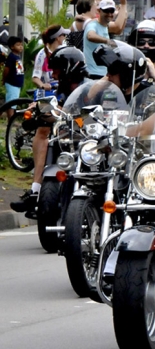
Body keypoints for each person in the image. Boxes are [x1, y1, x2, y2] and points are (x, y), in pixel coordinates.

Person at [10, 47, 90, 213]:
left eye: (57, 71)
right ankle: (35, 190)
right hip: (66, 131)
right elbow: (58, 105)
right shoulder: (63, 86)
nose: (53, 75)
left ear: (69, 69)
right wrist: (39, 107)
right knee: (43, 129)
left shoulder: (88, 87)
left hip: (87, 134)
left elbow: (87, 113)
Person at [83, 0, 118, 79]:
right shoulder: (93, 25)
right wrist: (107, 41)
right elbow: (90, 36)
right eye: (106, 11)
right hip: (93, 74)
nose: (109, 14)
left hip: (104, 73)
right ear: (99, 11)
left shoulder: (105, 26)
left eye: (111, 11)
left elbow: (118, 27)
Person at [32, 25, 69, 97]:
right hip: (47, 93)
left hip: (60, 91)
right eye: (64, 35)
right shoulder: (42, 55)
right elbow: (35, 78)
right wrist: (43, 85)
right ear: (58, 38)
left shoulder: (63, 51)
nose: (65, 37)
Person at [3, 36, 24, 118]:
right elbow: (6, 69)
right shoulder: (11, 57)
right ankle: (10, 119)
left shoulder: (17, 57)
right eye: (18, 45)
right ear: (12, 47)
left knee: (12, 102)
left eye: (21, 45)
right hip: (12, 84)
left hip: (16, 85)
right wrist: (3, 80)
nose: (21, 47)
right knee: (11, 103)